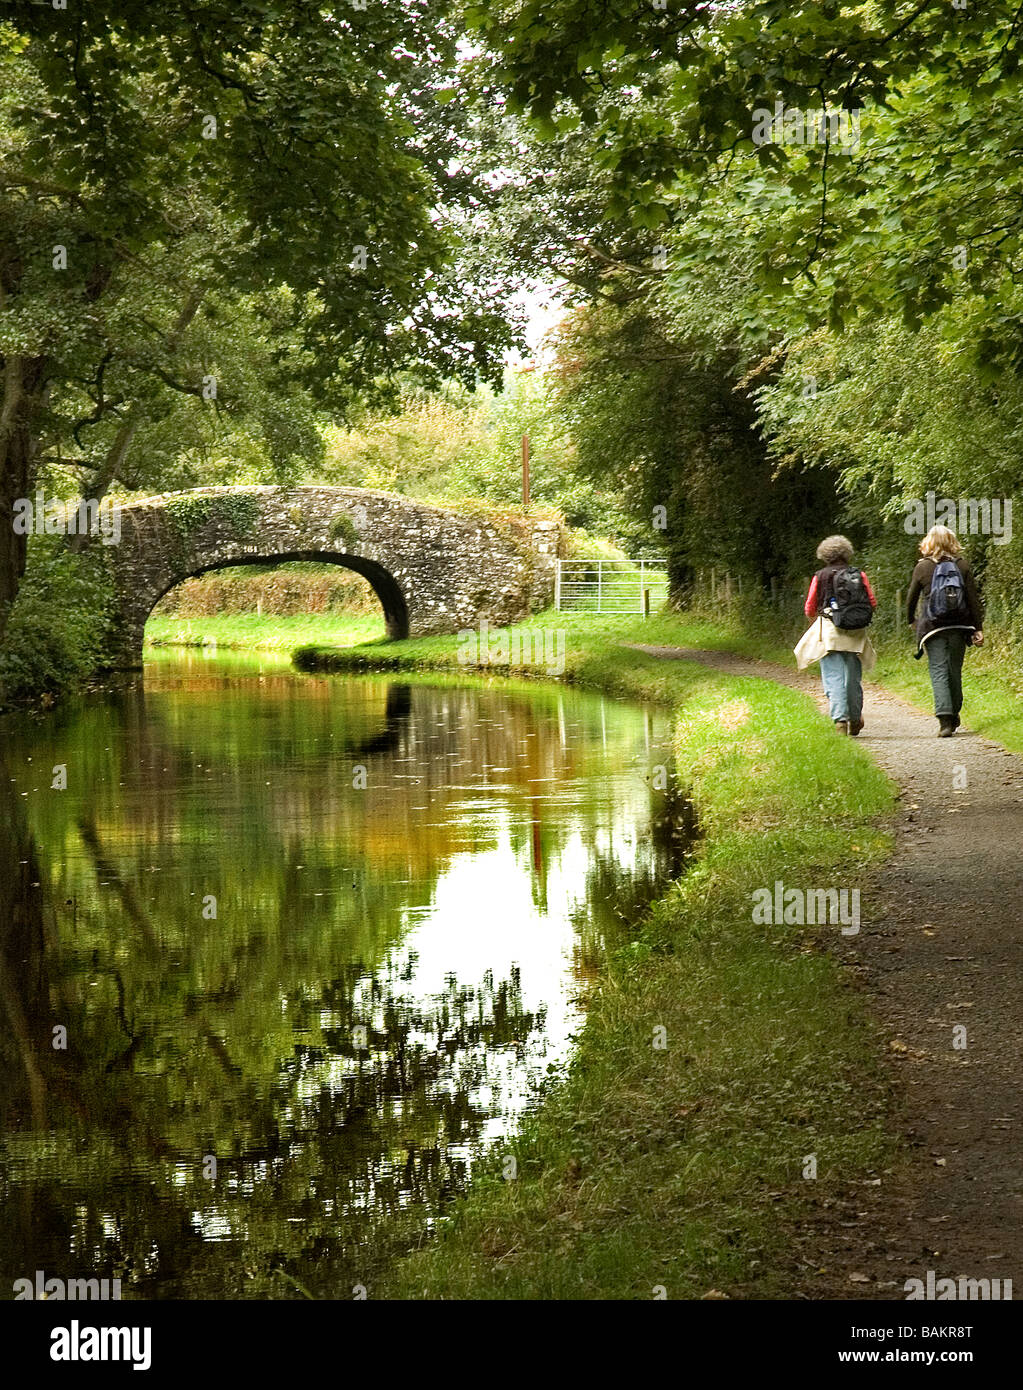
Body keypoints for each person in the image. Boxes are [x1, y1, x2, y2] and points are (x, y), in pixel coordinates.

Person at [906, 525, 984, 737]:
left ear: (928, 543)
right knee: (954, 670)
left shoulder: (922, 568)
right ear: (952, 543)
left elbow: (911, 598)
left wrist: (911, 620)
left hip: (932, 628)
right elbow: (973, 600)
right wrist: (978, 628)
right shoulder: (962, 565)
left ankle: (945, 720)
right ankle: (954, 713)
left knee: (938, 670)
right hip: (960, 626)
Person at [797, 535, 877, 735]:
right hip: (855, 631)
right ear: (847, 553)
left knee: (833, 676)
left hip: (831, 631)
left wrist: (814, 620)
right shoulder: (859, 575)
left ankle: (840, 720)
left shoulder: (820, 576)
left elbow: (810, 607)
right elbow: (872, 603)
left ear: (825, 555)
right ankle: (855, 718)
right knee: (852, 677)